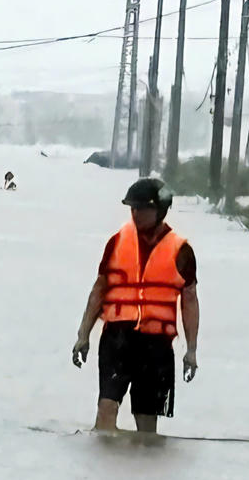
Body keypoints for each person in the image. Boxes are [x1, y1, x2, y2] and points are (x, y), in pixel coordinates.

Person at [71, 178, 199, 433]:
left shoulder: (181, 250)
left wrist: (191, 350)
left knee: (147, 422)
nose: (135, 214)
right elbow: (100, 289)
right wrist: (83, 334)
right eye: (132, 208)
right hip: (117, 339)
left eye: (142, 208)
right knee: (106, 408)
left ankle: (144, 470)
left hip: (157, 345)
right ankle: (103, 468)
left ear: (160, 210)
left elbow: (190, 300)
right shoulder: (116, 242)